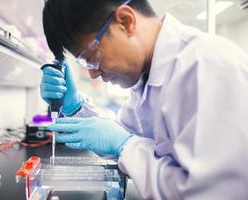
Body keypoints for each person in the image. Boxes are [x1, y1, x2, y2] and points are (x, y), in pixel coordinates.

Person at [40, 0, 248, 199]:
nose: (93, 74)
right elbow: (123, 136)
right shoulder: (147, 75)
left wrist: (124, 145)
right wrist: (76, 106)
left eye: (91, 58)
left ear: (125, 21)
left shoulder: (209, 67)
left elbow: (214, 194)